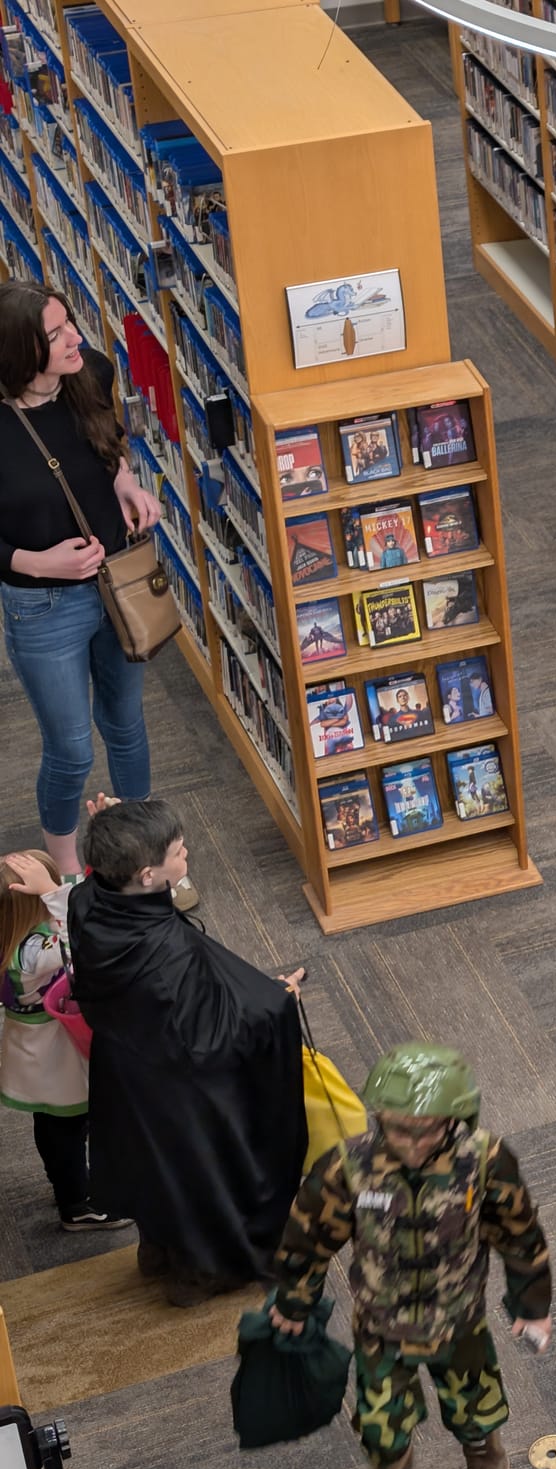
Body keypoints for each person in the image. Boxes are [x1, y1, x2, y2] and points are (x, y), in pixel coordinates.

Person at [267, 1045, 551, 1469]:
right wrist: (295, 1300)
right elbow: (307, 1236)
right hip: (381, 1326)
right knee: (382, 1429)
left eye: (427, 1131)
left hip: (458, 1323)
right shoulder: (350, 1166)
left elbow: (519, 1235)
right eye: (399, 1130)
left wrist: (532, 1306)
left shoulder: (483, 1160)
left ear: (454, 1120)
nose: (412, 1145)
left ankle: (486, 1463)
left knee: (475, 1412)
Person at [66, 797, 307, 1304]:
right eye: (178, 851)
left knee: (155, 1170)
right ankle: (202, 1273)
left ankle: (158, 1249)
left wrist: (112, 830)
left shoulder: (87, 903)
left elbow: (97, 876)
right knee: (202, 1173)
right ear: (150, 875)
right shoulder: (166, 957)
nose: (188, 853)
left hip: (126, 1078)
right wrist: (276, 1002)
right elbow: (210, 1040)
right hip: (182, 1096)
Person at [0, 282, 195, 907]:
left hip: (118, 585)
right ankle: (66, 876)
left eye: (69, 325)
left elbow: (104, 443)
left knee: (126, 723)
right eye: (55, 336)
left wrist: (127, 484)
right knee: (70, 746)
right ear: (16, 352)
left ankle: (149, 855)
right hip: (42, 604)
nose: (75, 339)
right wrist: (38, 561)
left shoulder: (92, 372)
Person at [0, 847, 127, 1231]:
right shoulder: (33, 954)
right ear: (33, 904)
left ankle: (70, 1186)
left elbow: (74, 896)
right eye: (48, 888)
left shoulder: (14, 937)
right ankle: (77, 1204)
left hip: (34, 1047)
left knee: (56, 1122)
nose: (58, 888)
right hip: (51, 1052)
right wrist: (54, 894)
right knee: (65, 1125)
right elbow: (85, 938)